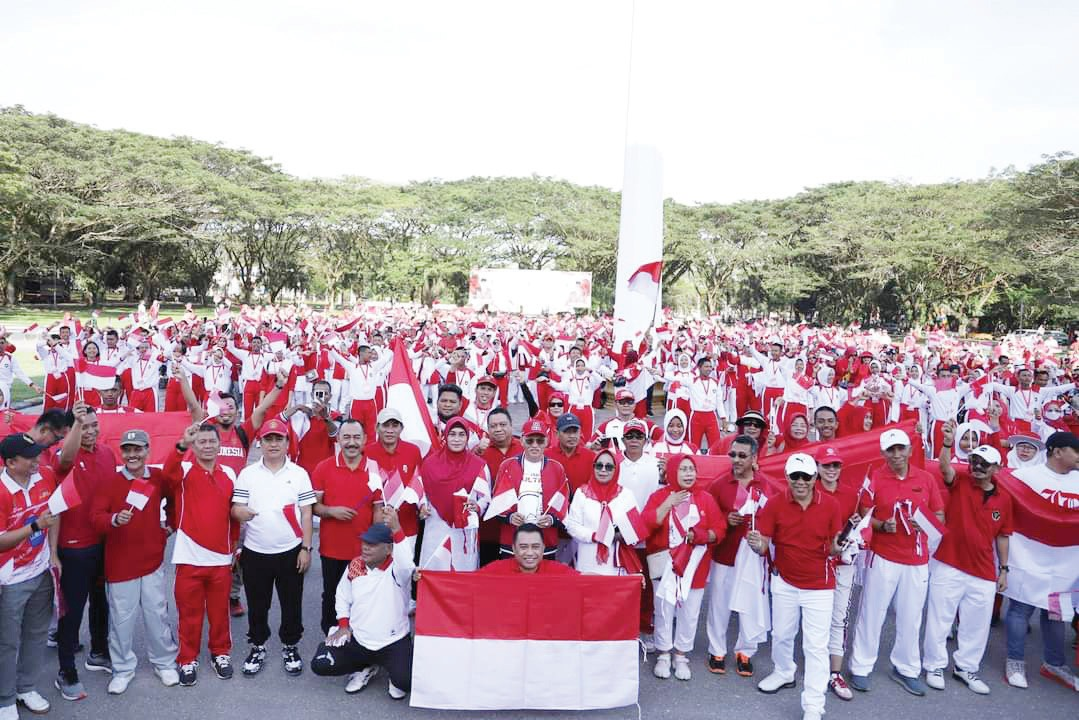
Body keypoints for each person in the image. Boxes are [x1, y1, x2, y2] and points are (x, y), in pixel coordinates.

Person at [848, 429, 944, 696]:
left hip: (917, 559)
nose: (897, 454)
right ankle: (860, 666)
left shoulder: (925, 478)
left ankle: (906, 668)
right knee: (871, 613)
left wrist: (923, 523)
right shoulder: (875, 478)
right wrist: (882, 525)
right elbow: (863, 517)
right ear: (883, 453)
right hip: (884, 557)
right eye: (891, 450)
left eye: (901, 448)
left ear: (910, 450)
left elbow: (939, 516)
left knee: (911, 618)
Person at [748, 453, 843, 720]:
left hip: (820, 586)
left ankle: (813, 706)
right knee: (781, 634)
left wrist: (840, 545)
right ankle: (783, 671)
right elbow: (764, 543)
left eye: (806, 477)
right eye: (795, 476)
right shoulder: (776, 504)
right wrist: (757, 544)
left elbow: (835, 545)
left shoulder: (831, 505)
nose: (800, 482)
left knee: (815, 647)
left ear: (815, 478)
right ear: (787, 478)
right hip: (785, 581)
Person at [89, 429, 179, 693]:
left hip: (151, 558)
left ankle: (164, 662)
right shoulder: (110, 481)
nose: (132, 455)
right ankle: (123, 668)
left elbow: (174, 499)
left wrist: (170, 525)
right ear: (122, 453)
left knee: (157, 615)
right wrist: (114, 519)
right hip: (120, 564)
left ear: (147, 450)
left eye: (138, 449)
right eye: (127, 450)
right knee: (121, 620)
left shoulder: (158, 478)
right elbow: (95, 517)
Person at [924, 436, 1012, 695]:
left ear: (997, 468)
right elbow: (944, 468)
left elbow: (1003, 535)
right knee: (940, 618)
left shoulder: (1004, 500)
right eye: (974, 461)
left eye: (985, 463)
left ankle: (966, 667)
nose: (978, 467)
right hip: (949, 563)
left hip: (983, 571)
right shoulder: (960, 482)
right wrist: (948, 445)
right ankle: (934, 665)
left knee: (977, 624)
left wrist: (1004, 569)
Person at [231, 419, 316, 677]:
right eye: (268, 439)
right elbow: (235, 509)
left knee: (292, 604)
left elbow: (306, 513)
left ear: (287, 443)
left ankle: (290, 645)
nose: (274, 444)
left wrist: (306, 548)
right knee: (258, 604)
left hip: (291, 551)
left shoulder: (299, 474)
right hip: (256, 552)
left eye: (279, 439)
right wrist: (240, 512)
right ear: (261, 443)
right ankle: (257, 645)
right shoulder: (247, 474)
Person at [163, 423, 241, 687]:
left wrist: (234, 547)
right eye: (202, 442)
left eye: (211, 441)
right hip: (189, 556)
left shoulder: (230, 472)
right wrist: (181, 445)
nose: (207, 446)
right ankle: (188, 659)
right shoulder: (183, 469)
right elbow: (167, 474)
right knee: (189, 614)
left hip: (220, 558)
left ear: (220, 444)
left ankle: (221, 654)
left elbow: (235, 514)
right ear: (194, 446)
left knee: (220, 613)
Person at [1002, 430, 1079, 690]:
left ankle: (1055, 664)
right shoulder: (1025, 477)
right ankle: (1014, 661)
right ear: (1057, 452)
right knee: (1020, 610)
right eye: (1075, 451)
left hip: (1066, 563)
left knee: (1057, 615)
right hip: (1028, 557)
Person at [311, 516, 415, 699]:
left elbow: (407, 563)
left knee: (405, 683)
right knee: (320, 664)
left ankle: (393, 672)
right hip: (359, 639)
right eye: (365, 542)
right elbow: (342, 596)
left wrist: (397, 527)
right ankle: (366, 666)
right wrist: (343, 626)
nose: (366, 547)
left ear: (388, 548)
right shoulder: (355, 565)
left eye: (373, 544)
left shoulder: (398, 571)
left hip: (393, 641)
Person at [643, 455, 724, 682]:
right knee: (664, 610)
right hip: (664, 564)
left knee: (690, 613)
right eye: (683, 469)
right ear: (671, 471)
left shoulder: (705, 498)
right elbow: (647, 523)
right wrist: (668, 504)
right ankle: (664, 652)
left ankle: (681, 654)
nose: (689, 474)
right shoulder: (658, 496)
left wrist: (702, 535)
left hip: (694, 568)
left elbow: (719, 528)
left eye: (691, 469)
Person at [54, 405, 115, 700]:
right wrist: (76, 425)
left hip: (103, 542)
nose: (90, 431)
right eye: (83, 426)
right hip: (75, 546)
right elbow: (65, 458)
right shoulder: (64, 454)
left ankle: (99, 651)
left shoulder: (107, 453)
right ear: (70, 430)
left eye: (93, 425)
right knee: (73, 610)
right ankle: (66, 669)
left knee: (101, 601)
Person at [0, 434, 61, 720]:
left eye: (37, 454)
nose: (37, 460)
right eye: (29, 457)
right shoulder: (1, 490)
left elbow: (54, 513)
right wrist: (35, 526)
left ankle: (27, 687)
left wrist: (53, 552)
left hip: (41, 572)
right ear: (11, 463)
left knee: (36, 634)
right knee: (7, 642)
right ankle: (5, 699)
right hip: (10, 579)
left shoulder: (43, 477)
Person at [313, 419, 384, 636]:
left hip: (363, 551)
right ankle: (331, 637)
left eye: (356, 437)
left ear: (364, 440)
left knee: (363, 596)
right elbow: (313, 507)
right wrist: (331, 511)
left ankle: (360, 639)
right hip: (332, 550)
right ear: (339, 439)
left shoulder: (374, 469)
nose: (351, 442)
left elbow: (378, 510)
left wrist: (375, 543)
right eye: (346, 437)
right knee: (332, 594)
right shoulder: (323, 468)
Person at [706, 434, 768, 677]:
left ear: (754, 458)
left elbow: (773, 519)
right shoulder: (719, 484)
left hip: (752, 557)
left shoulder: (765, 486)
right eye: (733, 454)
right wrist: (725, 520)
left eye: (742, 455)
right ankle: (717, 650)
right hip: (725, 554)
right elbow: (707, 517)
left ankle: (746, 650)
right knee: (719, 604)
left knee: (750, 603)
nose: (736, 460)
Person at [813, 445, 861, 701]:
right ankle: (815, 666)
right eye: (826, 465)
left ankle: (834, 672)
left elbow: (862, 525)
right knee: (814, 617)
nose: (831, 470)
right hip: (817, 562)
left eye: (835, 465)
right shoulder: (810, 489)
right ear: (818, 468)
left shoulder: (852, 494)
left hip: (844, 564)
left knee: (838, 617)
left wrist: (854, 541)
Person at [487, 419, 569, 557]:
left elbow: (565, 505)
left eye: (540, 441)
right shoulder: (507, 465)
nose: (535, 445)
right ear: (522, 441)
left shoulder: (557, 468)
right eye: (530, 440)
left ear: (547, 442)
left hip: (546, 542)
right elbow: (496, 503)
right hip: (511, 540)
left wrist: (552, 520)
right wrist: (509, 517)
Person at [419, 418, 490, 571]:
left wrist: (477, 507)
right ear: (445, 436)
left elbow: (485, 497)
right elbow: (421, 491)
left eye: (461, 435)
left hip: (464, 528)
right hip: (436, 524)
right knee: (434, 568)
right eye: (452, 434)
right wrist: (422, 506)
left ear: (467, 438)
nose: (456, 439)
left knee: (463, 570)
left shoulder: (479, 465)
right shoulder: (429, 464)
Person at [564, 449, 646, 574]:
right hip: (588, 561)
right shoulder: (581, 494)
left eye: (608, 467)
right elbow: (572, 526)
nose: (603, 470)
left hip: (616, 563)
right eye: (599, 465)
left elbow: (636, 530)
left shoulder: (626, 495)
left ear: (616, 469)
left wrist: (620, 535)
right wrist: (595, 536)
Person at [478, 523, 579, 575]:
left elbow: (583, 579)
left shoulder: (557, 571)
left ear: (543, 548)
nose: (530, 553)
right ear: (513, 548)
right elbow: (470, 580)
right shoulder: (497, 569)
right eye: (523, 547)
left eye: (535, 547)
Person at [544, 413, 596, 493]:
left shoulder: (591, 457)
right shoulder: (546, 456)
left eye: (575, 432)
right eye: (567, 432)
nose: (572, 436)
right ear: (556, 433)